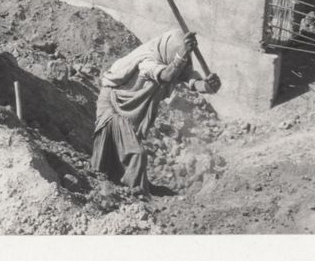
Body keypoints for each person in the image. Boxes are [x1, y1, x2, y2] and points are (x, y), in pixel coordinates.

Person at [91, 29, 221, 192]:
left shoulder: (172, 60)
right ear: (169, 55)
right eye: (178, 59)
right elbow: (167, 75)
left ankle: (125, 185)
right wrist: (179, 58)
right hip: (113, 106)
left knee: (127, 148)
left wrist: (206, 86)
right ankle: (133, 194)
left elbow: (187, 76)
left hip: (130, 109)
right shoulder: (148, 61)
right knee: (136, 153)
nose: (182, 65)